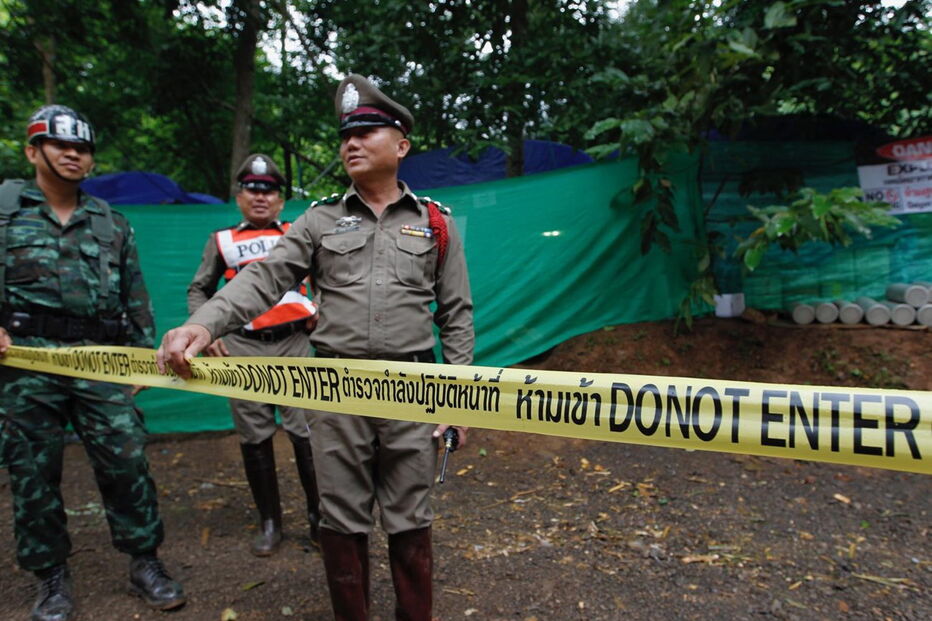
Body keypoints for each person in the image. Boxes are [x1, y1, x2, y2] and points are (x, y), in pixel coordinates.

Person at [157, 74, 474, 620]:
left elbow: (456, 314)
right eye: (346, 134)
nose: (352, 143)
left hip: (413, 391)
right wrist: (203, 326)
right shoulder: (319, 220)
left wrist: (458, 397)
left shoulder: (435, 223)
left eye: (367, 131)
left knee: (411, 518)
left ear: (401, 145)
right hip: (335, 391)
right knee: (340, 520)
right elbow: (263, 279)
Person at [0, 105, 185, 621]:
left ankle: (145, 560)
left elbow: (135, 296)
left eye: (81, 148)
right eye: (60, 145)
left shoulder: (111, 222)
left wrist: (140, 359)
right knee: (32, 470)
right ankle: (50, 577)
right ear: (33, 151)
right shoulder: (5, 210)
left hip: (100, 363)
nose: (72, 155)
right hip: (26, 363)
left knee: (126, 459)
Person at [187, 153, 320, 555]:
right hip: (243, 347)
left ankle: (319, 518)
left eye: (269, 190)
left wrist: (322, 309)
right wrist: (205, 329)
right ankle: (270, 522)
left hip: (295, 343)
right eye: (252, 189)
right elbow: (199, 289)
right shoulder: (222, 240)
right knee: (254, 435)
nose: (260, 196)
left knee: (307, 431)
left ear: (281, 200)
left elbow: (328, 278)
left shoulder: (298, 233)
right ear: (239, 196)